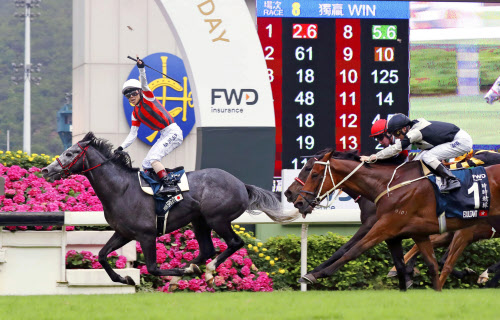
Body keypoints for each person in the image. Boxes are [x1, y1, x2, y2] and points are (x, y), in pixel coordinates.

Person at [117, 57, 183, 195]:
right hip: (164, 134)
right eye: (128, 96)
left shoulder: (147, 97)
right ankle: (157, 185)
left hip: (173, 132)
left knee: (153, 158)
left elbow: (144, 83)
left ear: (140, 92)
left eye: (134, 93)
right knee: (146, 164)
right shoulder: (135, 114)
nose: (131, 97)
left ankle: (169, 185)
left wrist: (141, 68)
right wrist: (121, 148)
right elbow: (132, 134)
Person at [360, 114, 473, 192]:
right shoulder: (411, 128)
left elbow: (396, 149)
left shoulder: (414, 133)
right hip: (453, 139)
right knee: (416, 162)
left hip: (461, 141)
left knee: (428, 156)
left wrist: (373, 157)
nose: (395, 137)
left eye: (396, 134)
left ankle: (452, 180)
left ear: (404, 129)